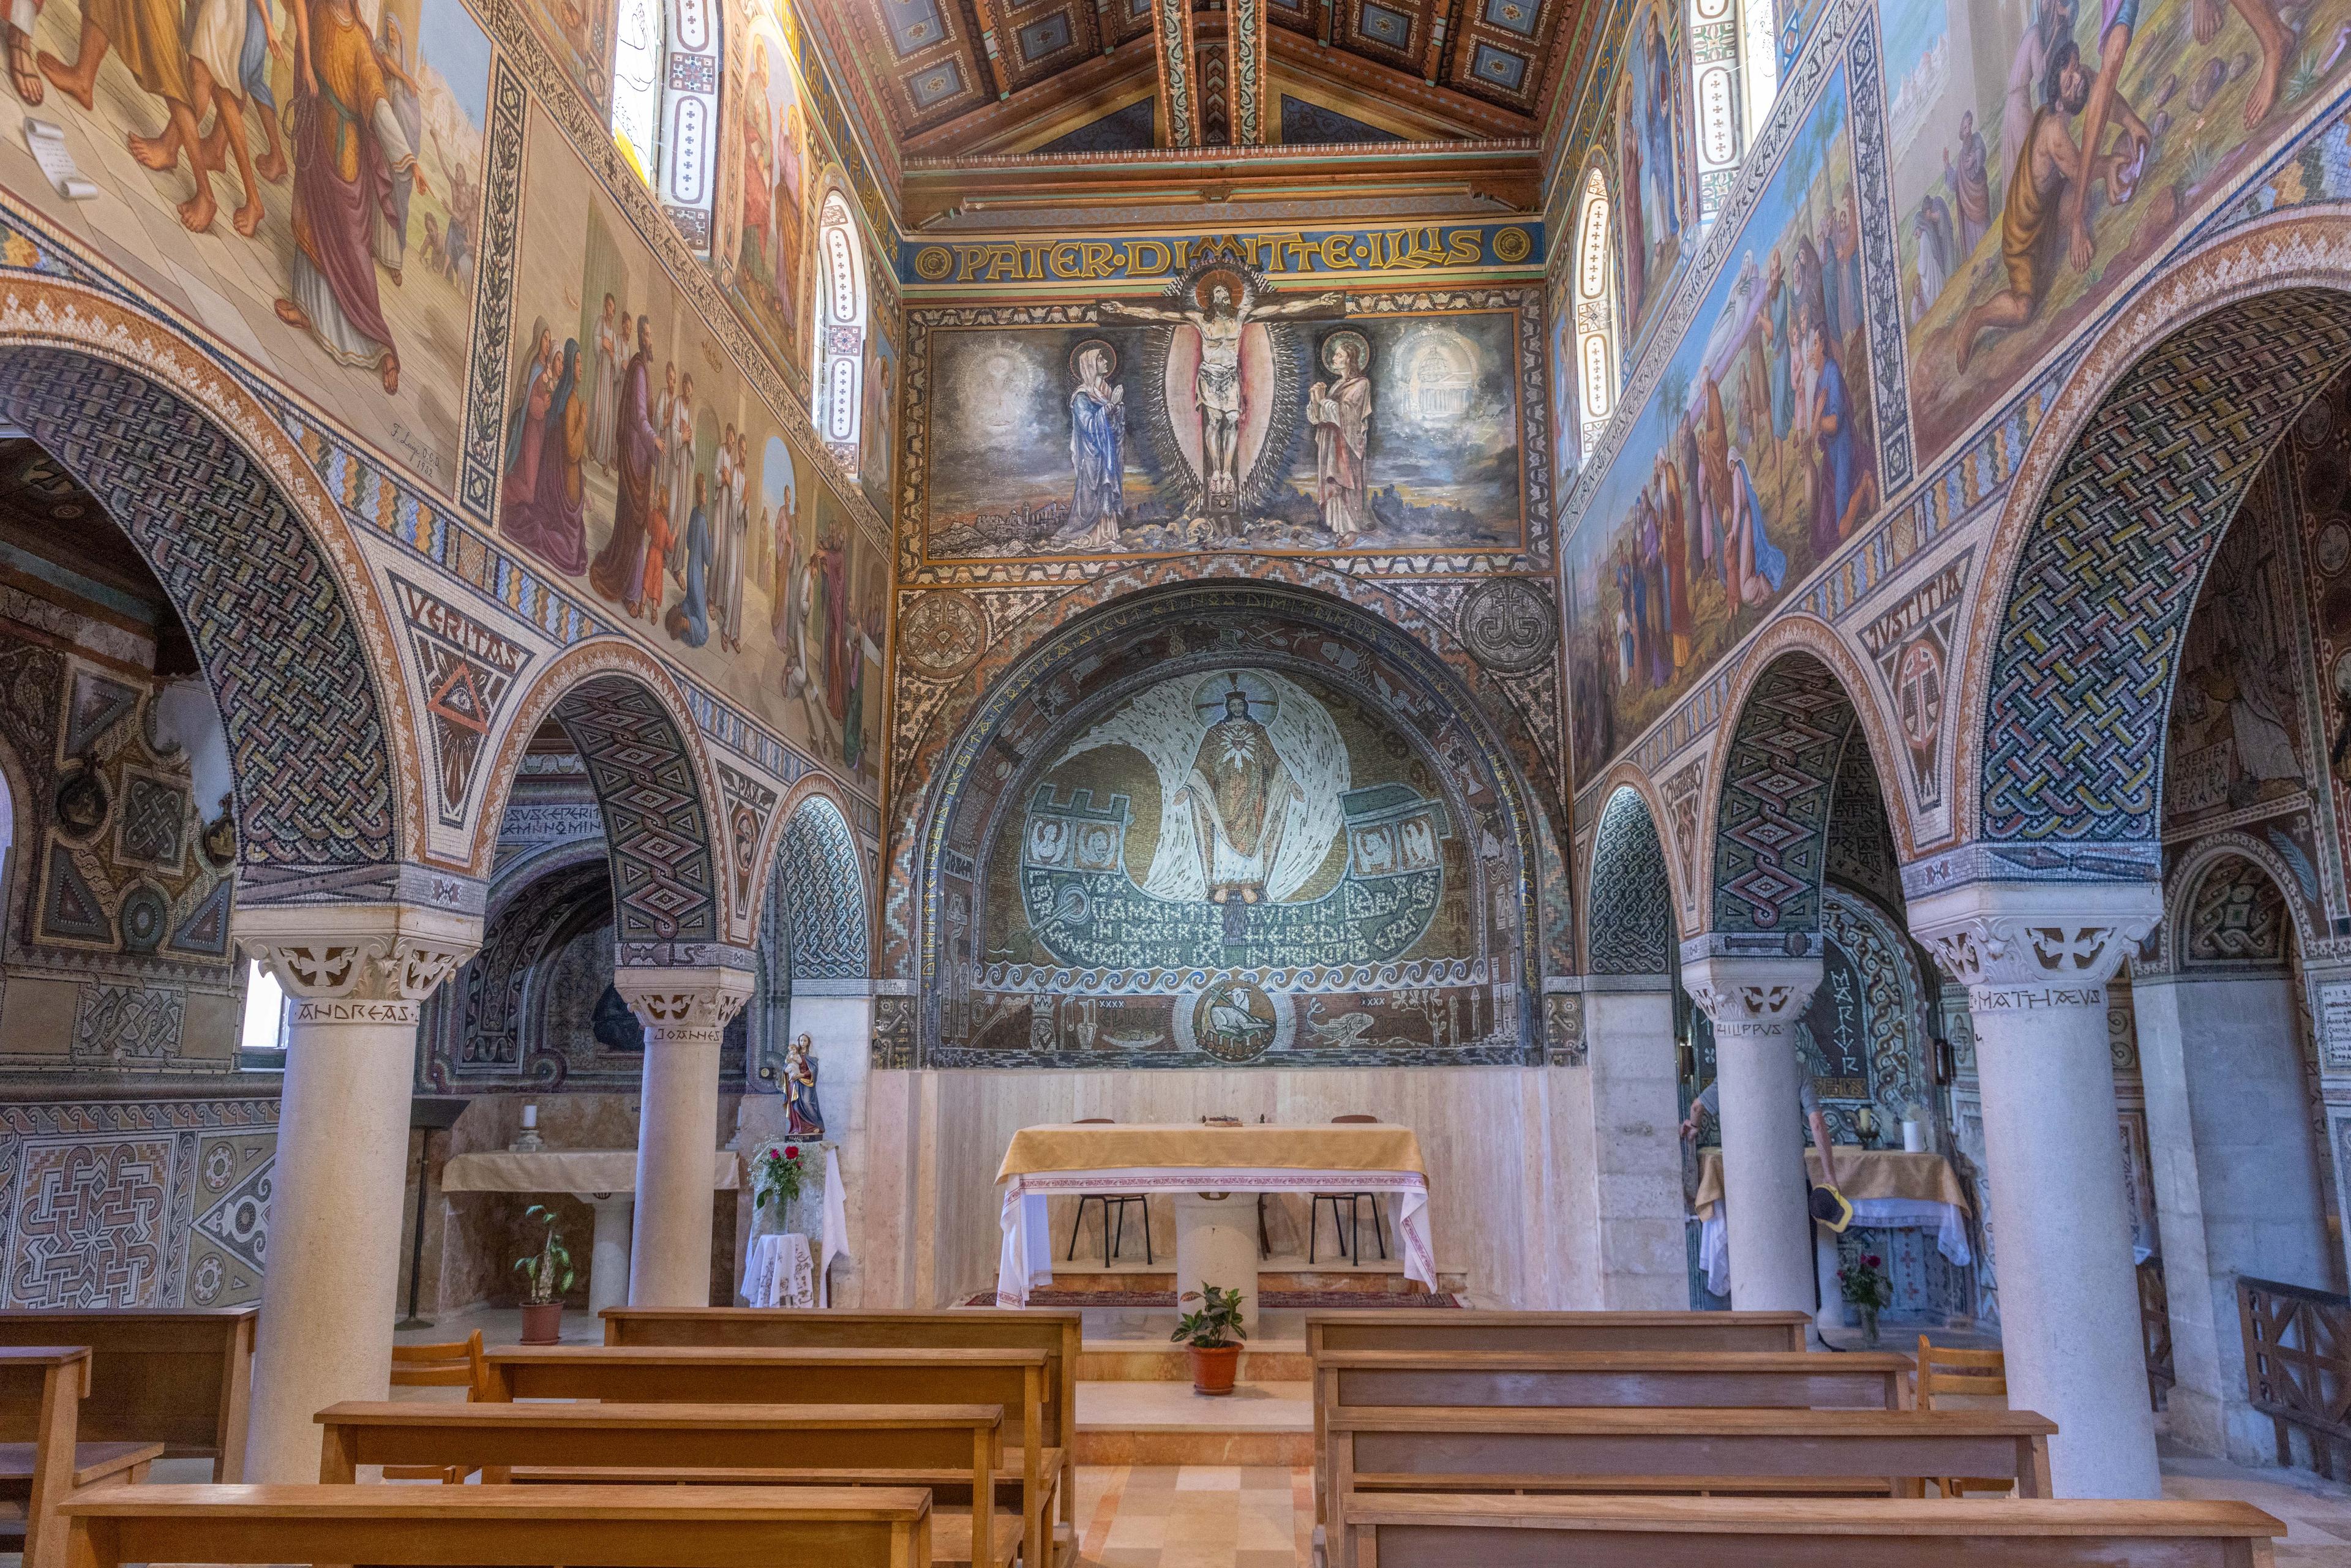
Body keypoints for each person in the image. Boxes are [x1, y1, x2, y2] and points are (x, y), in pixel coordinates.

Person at [266, 0, 424, 391]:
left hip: (345, 151)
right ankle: (307, 308)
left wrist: (407, 158)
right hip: (316, 133)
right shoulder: (318, 10)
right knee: (308, 219)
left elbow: (377, 101)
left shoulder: (361, 41)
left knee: (353, 245)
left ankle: (381, 343)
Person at [1098, 275, 1341, 509]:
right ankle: (1216, 471)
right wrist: (1122, 309)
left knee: (1233, 422)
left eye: (1224, 293)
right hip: (1210, 377)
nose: (1221, 298)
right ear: (1210, 300)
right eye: (1216, 294)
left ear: (1231, 298)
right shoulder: (1200, 320)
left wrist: (1318, 302)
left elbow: (1282, 309)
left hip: (1229, 377)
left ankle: (1227, 472)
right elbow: (1158, 313)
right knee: (1214, 423)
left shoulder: (1241, 317)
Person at [1957, 39, 2109, 373]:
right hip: (2022, 237)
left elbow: (2095, 79)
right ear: (2056, 88)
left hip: (2043, 212)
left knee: (2077, 199)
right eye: (2069, 75)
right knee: (2025, 309)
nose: (2078, 78)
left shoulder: (2051, 113)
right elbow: (2082, 170)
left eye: (2077, 68)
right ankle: (1977, 318)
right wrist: (2112, 163)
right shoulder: (2054, 129)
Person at [1172, 685, 1305, 905]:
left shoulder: (1257, 731)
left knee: (1250, 835)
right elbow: (1202, 762)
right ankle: (1223, 884)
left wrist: (1290, 783)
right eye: (1233, 705)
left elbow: (1273, 760)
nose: (1236, 708)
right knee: (1222, 835)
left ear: (1245, 706)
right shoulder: (1216, 732)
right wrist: (1188, 787)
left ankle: (1247, 884)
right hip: (1223, 795)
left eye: (1240, 705)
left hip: (1253, 795)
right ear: (1227, 708)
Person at [589, 315, 665, 611]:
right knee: (634, 524)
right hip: (635, 458)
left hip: (640, 460)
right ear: (639, 339)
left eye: (650, 334)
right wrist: (654, 440)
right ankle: (631, 592)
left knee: (635, 523)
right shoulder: (638, 369)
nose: (650, 339)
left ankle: (631, 588)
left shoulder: (642, 370)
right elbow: (638, 417)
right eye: (646, 334)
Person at [1679, 1073, 1845, 1198]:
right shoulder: (1797, 1069)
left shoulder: (1731, 1071)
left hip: (1744, 1174)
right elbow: (1816, 1123)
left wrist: (1694, 1126)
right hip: (1790, 1171)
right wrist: (1829, 1174)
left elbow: (1697, 1107)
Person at [502, 338, 588, 573]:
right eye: (578, 362)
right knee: (570, 554)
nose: (581, 368)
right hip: (559, 493)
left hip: (556, 490)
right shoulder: (570, 401)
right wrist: (582, 425)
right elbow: (571, 450)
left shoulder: (564, 397)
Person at [1307, 336, 1373, 540]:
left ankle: (1351, 529)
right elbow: (1318, 418)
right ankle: (1338, 527)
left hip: (1347, 443)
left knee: (1345, 483)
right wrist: (1315, 401)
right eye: (1335, 355)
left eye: (1339, 355)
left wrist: (1323, 401)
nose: (1334, 359)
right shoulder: (1336, 385)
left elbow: (1349, 414)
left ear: (1350, 360)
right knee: (1334, 484)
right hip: (1330, 441)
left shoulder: (1361, 384)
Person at [1062, 342, 1126, 549]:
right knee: (1092, 493)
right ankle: (1090, 534)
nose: (1105, 361)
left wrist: (1116, 410)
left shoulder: (1106, 391)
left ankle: (1108, 534)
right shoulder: (1081, 397)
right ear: (1090, 365)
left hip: (1107, 454)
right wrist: (1110, 407)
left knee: (1107, 492)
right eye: (1100, 359)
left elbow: (1116, 429)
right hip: (1092, 457)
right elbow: (1089, 426)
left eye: (1105, 358)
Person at [666, 471, 711, 647]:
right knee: (704, 633)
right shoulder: (703, 522)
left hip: (690, 571)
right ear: (700, 495)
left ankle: (678, 612)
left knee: (691, 602)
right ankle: (683, 623)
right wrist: (710, 535)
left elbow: (688, 543)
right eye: (705, 491)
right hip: (698, 576)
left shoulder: (693, 513)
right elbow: (709, 560)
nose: (706, 494)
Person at [587, 295, 621, 470]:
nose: (611, 312)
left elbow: (616, 357)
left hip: (609, 379)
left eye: (613, 309)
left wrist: (613, 354)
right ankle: (593, 446)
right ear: (604, 306)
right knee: (598, 410)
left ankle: (603, 457)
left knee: (607, 415)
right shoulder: (600, 322)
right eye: (609, 307)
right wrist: (602, 343)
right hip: (601, 374)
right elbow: (595, 340)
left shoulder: (614, 334)